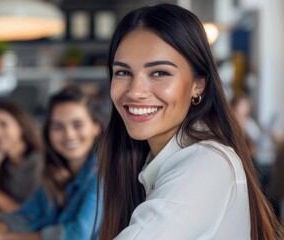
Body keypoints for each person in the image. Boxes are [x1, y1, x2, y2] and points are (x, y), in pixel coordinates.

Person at [98, 4, 283, 240]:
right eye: (123, 72)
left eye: (159, 73)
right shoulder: (147, 159)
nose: (135, 91)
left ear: (199, 85)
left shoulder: (206, 162)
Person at [0, 86, 103, 240]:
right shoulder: (55, 172)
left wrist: (8, 237)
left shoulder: (103, 174)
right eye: (58, 127)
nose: (68, 135)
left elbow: (77, 235)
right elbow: (30, 214)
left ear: (96, 127)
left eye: (77, 125)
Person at [0, 101, 43, 215]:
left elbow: (36, 215)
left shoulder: (39, 162)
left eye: (3, 124)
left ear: (21, 126)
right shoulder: (2, 165)